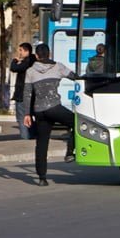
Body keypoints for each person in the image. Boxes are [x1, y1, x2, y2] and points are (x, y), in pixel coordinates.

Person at [25, 43, 76, 186]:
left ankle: (42, 177)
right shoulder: (58, 67)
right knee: (76, 123)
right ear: (50, 54)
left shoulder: (30, 71)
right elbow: (75, 77)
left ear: (36, 56)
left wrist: (27, 114)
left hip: (39, 111)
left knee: (41, 144)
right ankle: (70, 152)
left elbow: (27, 94)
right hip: (55, 107)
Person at [10, 42, 36, 140]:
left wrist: (15, 60)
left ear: (26, 51)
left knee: (22, 118)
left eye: (21, 50)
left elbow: (14, 68)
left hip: (22, 94)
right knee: (30, 117)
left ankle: (26, 138)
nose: (19, 53)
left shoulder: (27, 62)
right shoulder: (34, 62)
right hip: (31, 94)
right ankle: (33, 135)